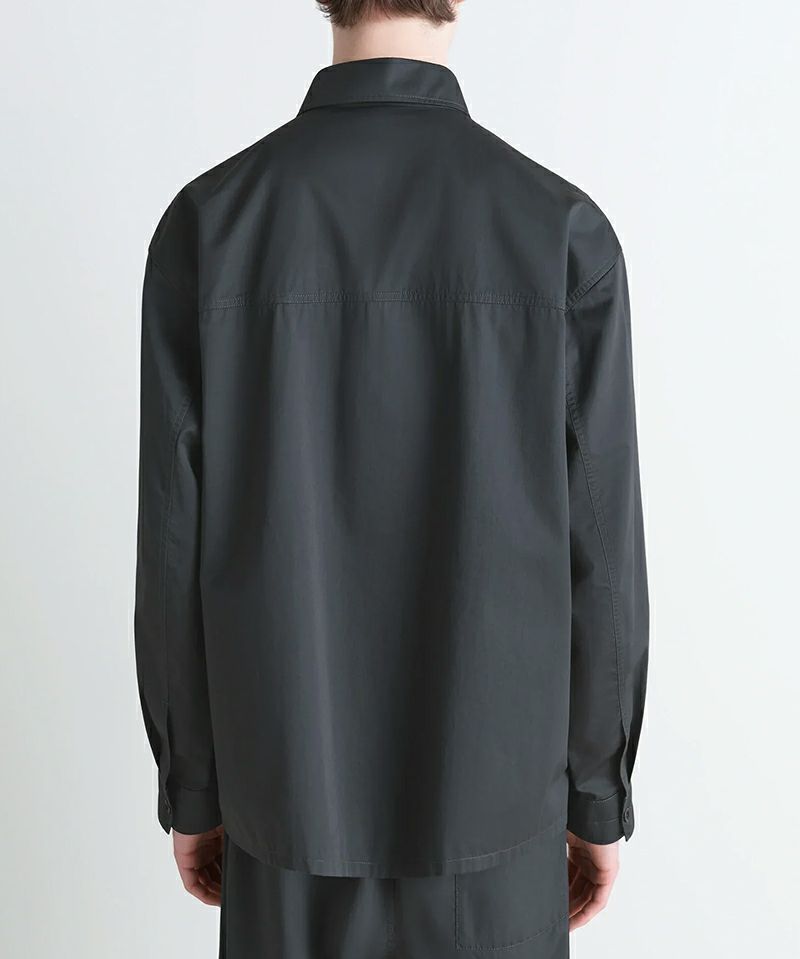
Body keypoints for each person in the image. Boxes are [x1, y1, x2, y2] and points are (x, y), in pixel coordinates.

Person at [134, 1, 649, 956]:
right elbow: (604, 554)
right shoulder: (561, 233)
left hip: (282, 814)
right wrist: (598, 797)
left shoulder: (209, 227)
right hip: (498, 834)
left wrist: (194, 789)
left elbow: (173, 548)